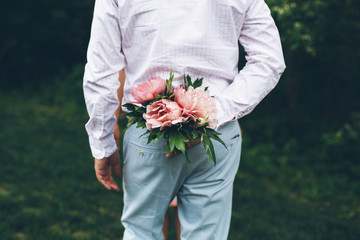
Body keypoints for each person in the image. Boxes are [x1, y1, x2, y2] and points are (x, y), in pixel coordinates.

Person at [83, 0, 285, 239]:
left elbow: (101, 71)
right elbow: (269, 61)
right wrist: (214, 113)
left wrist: (102, 142)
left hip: (150, 131)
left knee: (141, 232)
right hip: (214, 135)